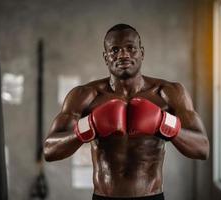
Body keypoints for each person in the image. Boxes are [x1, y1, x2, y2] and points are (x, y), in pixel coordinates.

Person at [43, 24, 210, 200]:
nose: (123, 54)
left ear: (142, 53)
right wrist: (87, 127)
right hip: (104, 197)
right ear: (106, 57)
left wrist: (165, 124)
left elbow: (202, 149)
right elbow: (49, 151)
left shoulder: (169, 93)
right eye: (115, 50)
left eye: (130, 48)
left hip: (151, 196)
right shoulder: (84, 95)